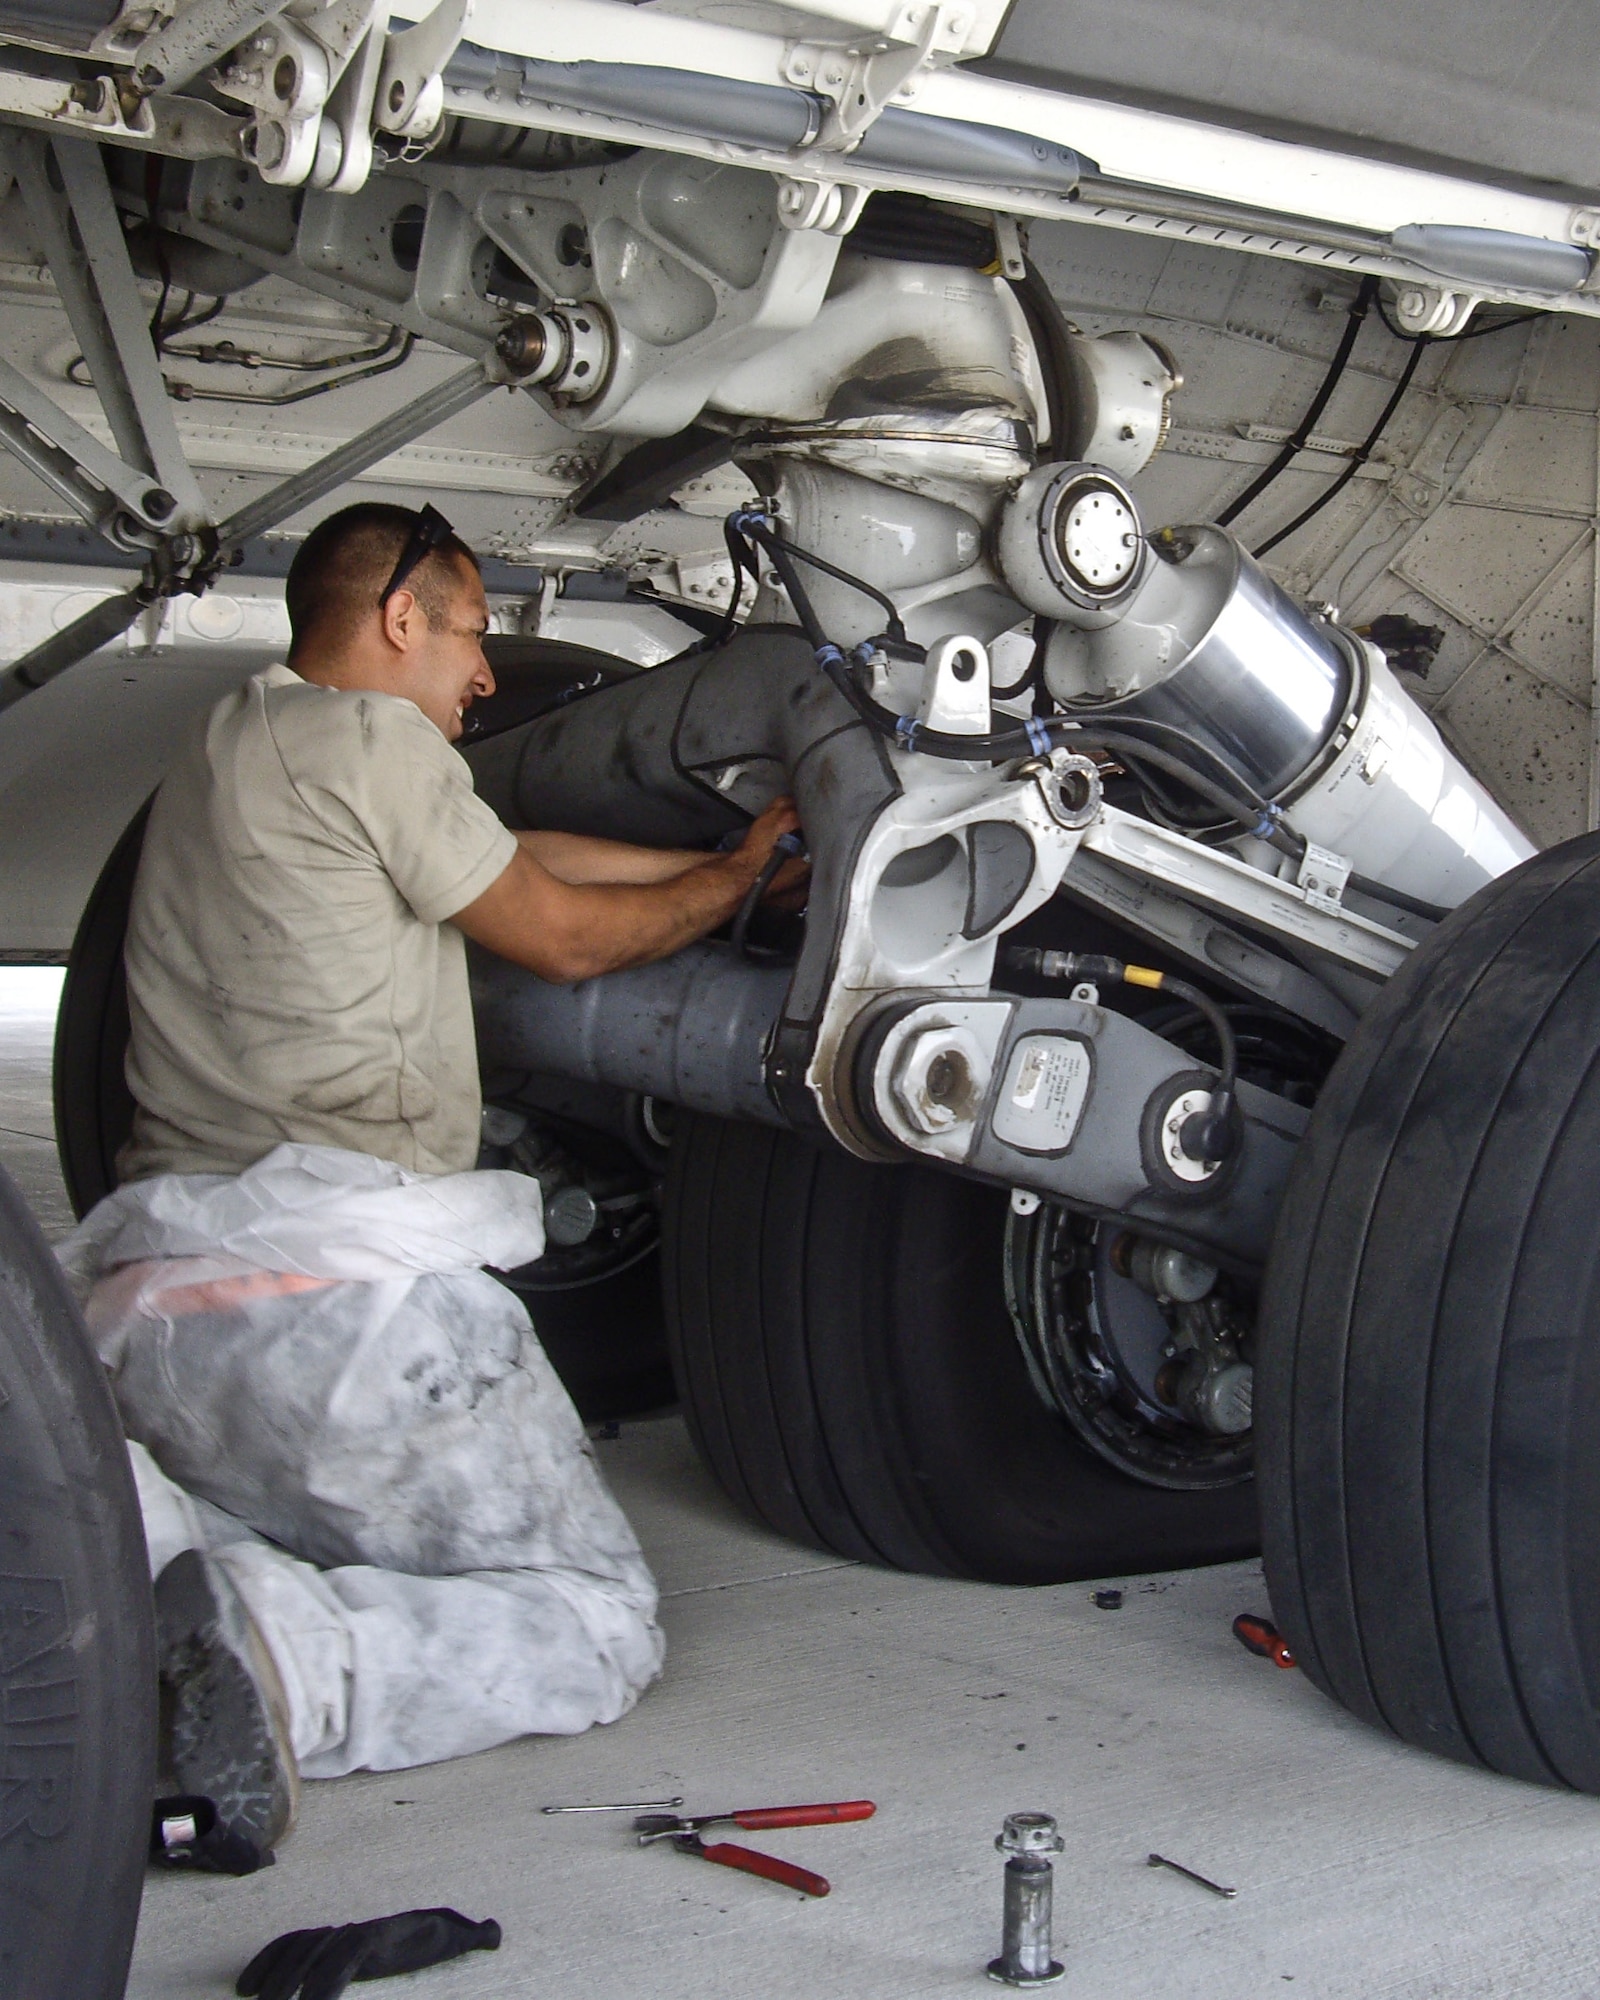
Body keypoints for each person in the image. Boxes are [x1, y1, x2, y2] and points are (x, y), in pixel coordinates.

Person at [58, 500, 804, 1857]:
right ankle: (287, 1673)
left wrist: (730, 871)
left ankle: (149, 1585)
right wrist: (717, 901)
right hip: (348, 1308)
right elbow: (565, 935)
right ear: (398, 616)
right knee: (590, 1623)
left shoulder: (236, 741)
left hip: (163, 1316)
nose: (480, 673)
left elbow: (511, 867)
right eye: (468, 632)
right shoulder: (375, 739)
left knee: (261, 1538)